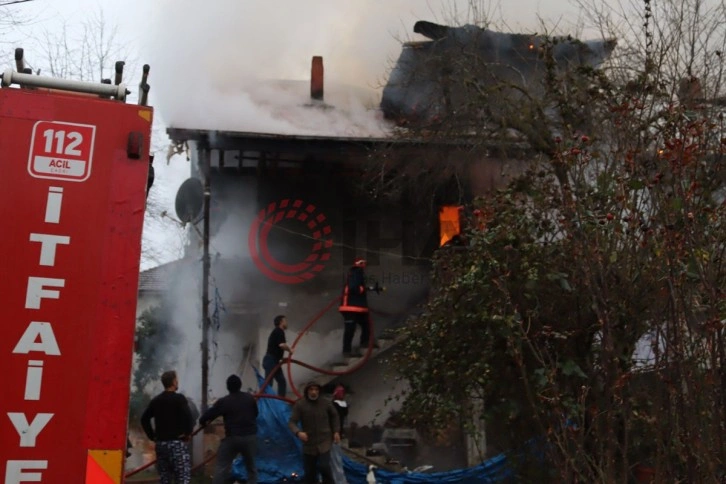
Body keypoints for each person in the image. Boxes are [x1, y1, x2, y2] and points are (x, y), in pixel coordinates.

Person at [199, 374, 259, 484]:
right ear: (240, 385)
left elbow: (208, 415)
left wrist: (203, 422)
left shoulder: (224, 401)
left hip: (232, 438)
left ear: (227, 387)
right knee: (251, 468)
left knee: (221, 467)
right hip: (250, 437)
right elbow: (256, 414)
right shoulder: (249, 398)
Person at [140, 370, 194, 484]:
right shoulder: (179, 399)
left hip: (161, 445)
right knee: (182, 478)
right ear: (173, 382)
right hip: (177, 444)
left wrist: (152, 436)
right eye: (176, 379)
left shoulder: (156, 400)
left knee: (165, 479)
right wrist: (188, 433)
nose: (177, 382)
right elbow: (190, 418)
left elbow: (144, 419)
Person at [288, 381, 341, 484]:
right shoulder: (300, 405)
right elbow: (292, 422)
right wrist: (298, 433)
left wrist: (336, 431)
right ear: (307, 391)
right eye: (311, 389)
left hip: (324, 441)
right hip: (309, 443)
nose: (314, 392)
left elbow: (335, 416)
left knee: (324, 466)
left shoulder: (325, 403)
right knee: (309, 472)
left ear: (319, 391)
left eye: (316, 390)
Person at [338, 257, 372, 357]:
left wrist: (368, 288)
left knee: (366, 324)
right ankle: (347, 351)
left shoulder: (354, 272)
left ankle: (364, 343)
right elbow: (353, 287)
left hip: (357, 307)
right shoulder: (356, 271)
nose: (364, 265)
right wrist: (362, 289)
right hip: (351, 308)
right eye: (363, 263)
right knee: (351, 328)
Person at [262, 314, 293, 396]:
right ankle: (265, 400)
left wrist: (281, 358)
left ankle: (281, 400)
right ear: (281, 322)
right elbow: (282, 345)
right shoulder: (279, 331)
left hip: (275, 361)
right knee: (268, 384)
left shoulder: (278, 332)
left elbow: (276, 347)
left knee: (282, 381)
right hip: (270, 360)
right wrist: (290, 350)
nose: (287, 323)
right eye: (285, 321)